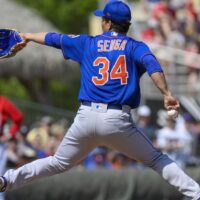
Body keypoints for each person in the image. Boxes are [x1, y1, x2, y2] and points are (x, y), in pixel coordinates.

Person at [0, 1, 200, 199]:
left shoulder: (87, 43)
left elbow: (54, 38)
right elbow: (152, 64)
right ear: (127, 25)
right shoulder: (135, 47)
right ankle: (196, 194)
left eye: (102, 18)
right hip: (116, 120)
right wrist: (166, 93)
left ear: (107, 22)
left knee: (58, 162)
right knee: (156, 159)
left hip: (85, 118)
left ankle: (7, 181)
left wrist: (27, 36)